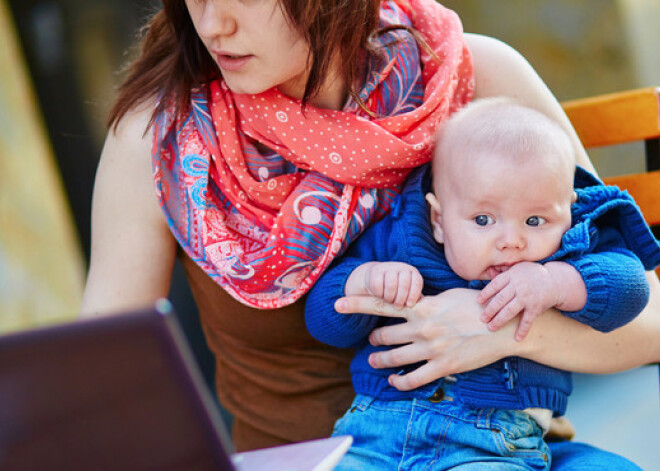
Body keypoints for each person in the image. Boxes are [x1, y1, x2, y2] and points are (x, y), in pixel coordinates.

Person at [79, 0, 660, 466]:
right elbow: (101, 386)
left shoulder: (471, 79)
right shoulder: (163, 138)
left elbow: (651, 319)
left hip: (512, 450)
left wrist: (501, 329)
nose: (213, 23)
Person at [305, 97, 660, 469]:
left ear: (568, 214)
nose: (512, 241)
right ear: (439, 219)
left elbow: (631, 287)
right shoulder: (400, 240)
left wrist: (556, 281)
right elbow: (323, 321)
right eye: (484, 220)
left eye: (535, 221)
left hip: (492, 446)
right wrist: (364, 280)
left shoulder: (565, 252)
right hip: (373, 437)